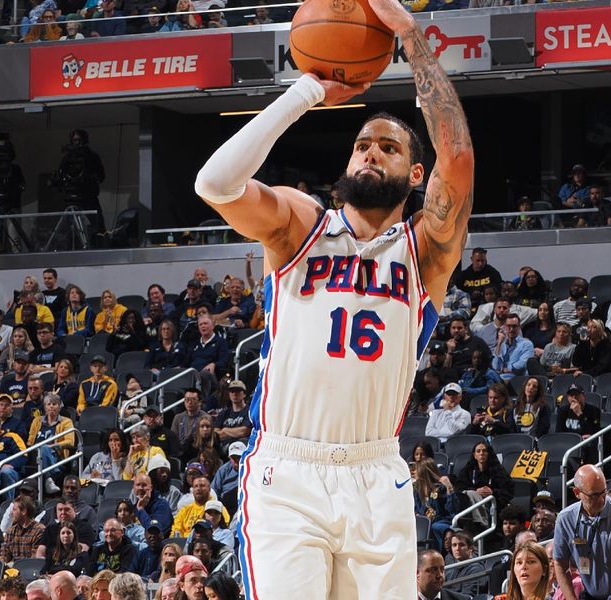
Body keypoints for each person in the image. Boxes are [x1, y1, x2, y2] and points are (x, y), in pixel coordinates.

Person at [197, 2, 473, 596]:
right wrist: (303, 93)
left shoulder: (426, 249)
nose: (370, 151)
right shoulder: (301, 223)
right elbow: (215, 184)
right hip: (288, 472)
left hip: (378, 475)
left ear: (416, 173)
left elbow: (460, 161)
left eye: (388, 147)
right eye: (361, 143)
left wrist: (411, 39)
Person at [553, 464, 611, 600]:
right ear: (577, 493)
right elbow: (560, 563)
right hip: (589, 595)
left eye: (604, 492)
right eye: (594, 495)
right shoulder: (565, 518)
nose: (602, 499)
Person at [0, 496, 45, 565]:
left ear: (23, 511)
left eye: (14, 510)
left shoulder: (39, 530)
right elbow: (4, 553)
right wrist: (2, 562)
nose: (11, 513)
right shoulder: (11, 531)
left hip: (30, 570)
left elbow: (35, 559)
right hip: (12, 571)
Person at [493, 313, 535, 381]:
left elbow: (521, 366)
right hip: (499, 380)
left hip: (517, 380)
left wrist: (504, 370)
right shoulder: (501, 344)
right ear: (505, 327)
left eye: (514, 326)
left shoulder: (527, 344)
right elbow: (495, 367)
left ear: (519, 327)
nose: (511, 329)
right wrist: (499, 344)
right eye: (509, 326)